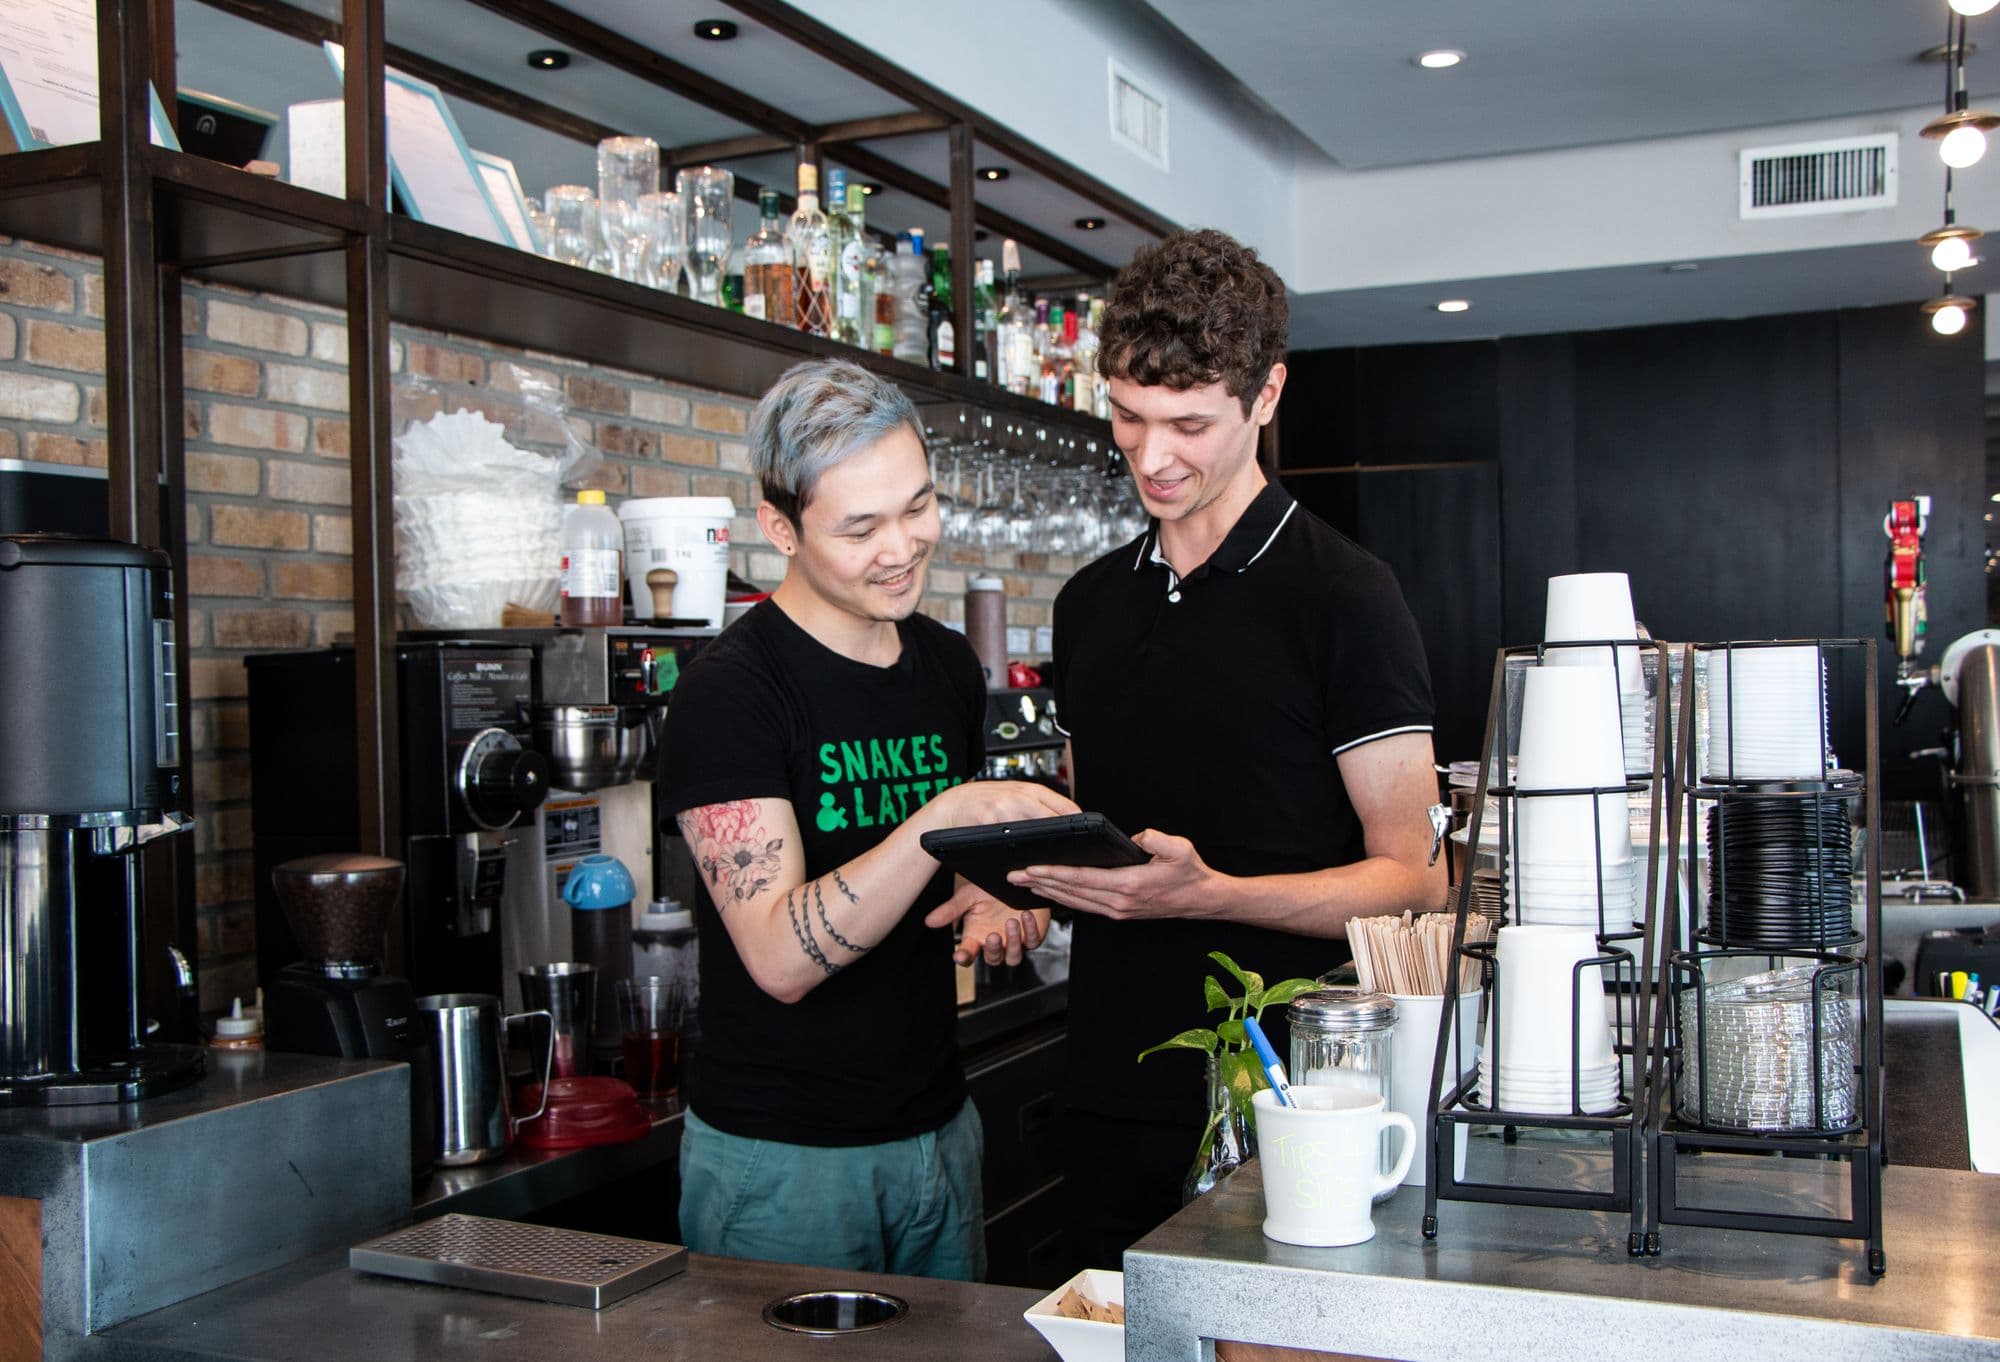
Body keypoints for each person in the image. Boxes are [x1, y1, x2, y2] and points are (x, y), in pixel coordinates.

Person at [1004, 229, 1446, 1266]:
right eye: (1126, 416)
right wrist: (1014, 879)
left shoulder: (1344, 597)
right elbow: (1106, 840)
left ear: (1265, 397)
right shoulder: (1086, 606)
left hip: (1292, 1101)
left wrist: (1213, 895)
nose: (1150, 457)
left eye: (1187, 424)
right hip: (1111, 1086)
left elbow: (1417, 878)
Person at [655, 358, 1072, 1281]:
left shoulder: (948, 666)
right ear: (780, 528)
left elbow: (951, 863)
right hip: (785, 1162)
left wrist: (994, 893)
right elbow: (777, 956)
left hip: (936, 1129)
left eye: (917, 507)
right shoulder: (731, 695)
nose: (902, 547)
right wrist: (942, 817)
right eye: (860, 527)